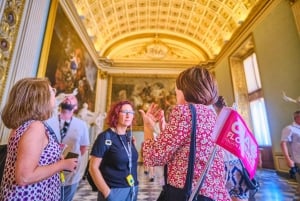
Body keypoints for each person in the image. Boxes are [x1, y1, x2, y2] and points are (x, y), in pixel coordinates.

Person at [139, 66, 231, 201]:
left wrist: (147, 127)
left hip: (188, 192)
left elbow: (154, 157)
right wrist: (165, 132)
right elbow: (190, 151)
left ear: (185, 90)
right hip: (212, 192)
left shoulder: (184, 112)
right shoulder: (212, 115)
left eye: (177, 91)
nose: (176, 95)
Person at [0, 77, 78, 201]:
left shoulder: (25, 125)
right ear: (40, 99)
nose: (54, 90)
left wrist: (55, 157)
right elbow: (24, 177)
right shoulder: (35, 127)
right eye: (51, 90)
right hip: (29, 196)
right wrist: (62, 164)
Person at [89, 100, 139, 201]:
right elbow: (93, 167)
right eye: (124, 112)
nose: (128, 115)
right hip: (114, 190)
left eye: (131, 112)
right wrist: (107, 193)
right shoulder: (105, 137)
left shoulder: (129, 137)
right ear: (116, 114)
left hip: (132, 189)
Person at [46, 94, 90, 201]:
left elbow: (83, 147)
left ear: (76, 107)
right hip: (49, 166)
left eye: (72, 98)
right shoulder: (49, 120)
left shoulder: (81, 124)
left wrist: (72, 156)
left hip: (71, 170)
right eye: (66, 97)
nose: (68, 98)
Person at [213, 96, 252, 201]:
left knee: (225, 196)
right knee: (239, 195)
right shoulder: (233, 116)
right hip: (239, 163)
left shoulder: (214, 119)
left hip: (223, 165)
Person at [281, 110, 300, 190]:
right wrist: (288, 159)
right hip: (298, 160)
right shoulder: (289, 128)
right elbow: (283, 143)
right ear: (297, 118)